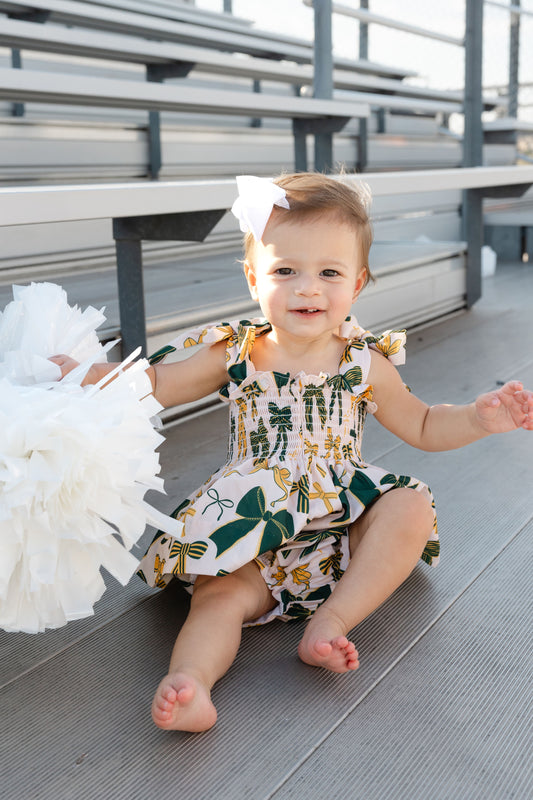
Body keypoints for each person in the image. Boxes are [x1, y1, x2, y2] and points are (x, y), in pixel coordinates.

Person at [52, 172, 533, 734]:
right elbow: (157, 382)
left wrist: (477, 418)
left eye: (329, 272)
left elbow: (424, 425)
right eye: (286, 271)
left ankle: (332, 620)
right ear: (255, 278)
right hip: (253, 526)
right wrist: (92, 375)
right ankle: (190, 683)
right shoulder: (238, 352)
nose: (309, 288)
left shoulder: (363, 362)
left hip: (341, 534)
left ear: (357, 284)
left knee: (409, 507)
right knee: (221, 595)